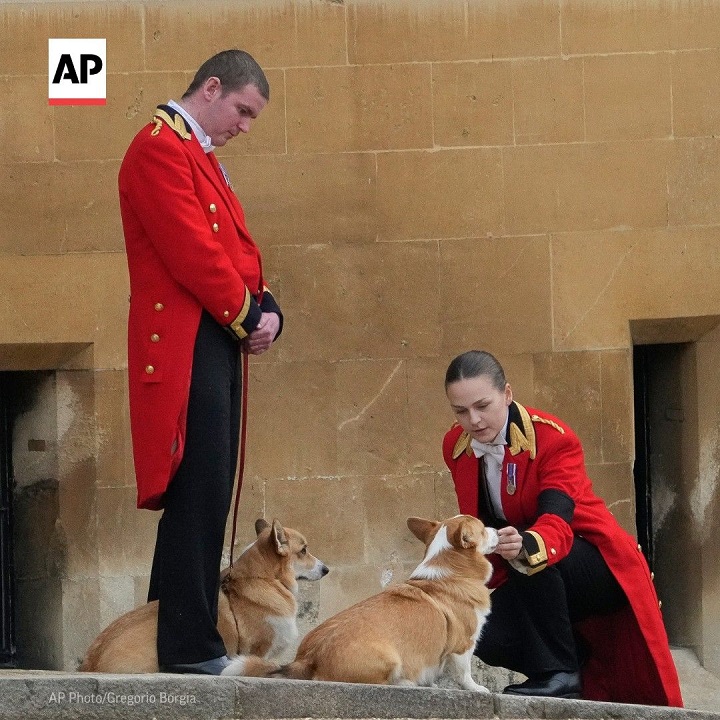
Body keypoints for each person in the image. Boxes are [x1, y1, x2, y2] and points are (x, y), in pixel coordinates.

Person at [118, 50, 283, 675]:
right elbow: (192, 252)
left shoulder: (199, 153)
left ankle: (168, 636)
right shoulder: (159, 147)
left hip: (212, 333)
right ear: (211, 89)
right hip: (188, 339)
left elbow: (234, 249)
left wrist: (267, 309)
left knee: (207, 491)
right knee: (198, 491)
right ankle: (187, 646)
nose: (243, 126)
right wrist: (246, 316)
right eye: (240, 110)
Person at [442, 350, 683, 706]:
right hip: (525, 570)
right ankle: (576, 661)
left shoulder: (553, 438)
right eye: (461, 411)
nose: (473, 420)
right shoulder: (455, 446)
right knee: (479, 632)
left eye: (483, 405)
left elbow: (557, 520)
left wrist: (525, 544)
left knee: (533, 558)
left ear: (507, 394)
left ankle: (559, 675)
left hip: (594, 563)